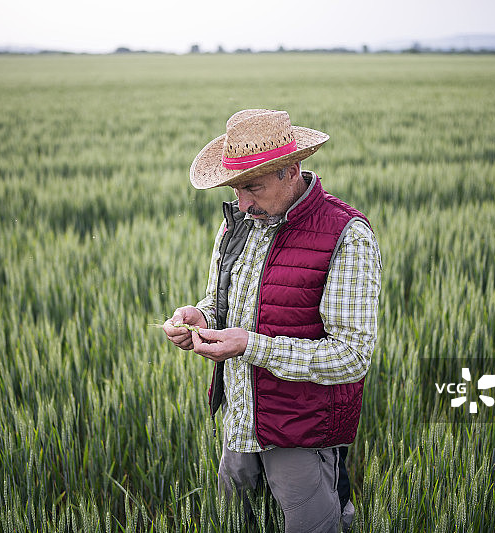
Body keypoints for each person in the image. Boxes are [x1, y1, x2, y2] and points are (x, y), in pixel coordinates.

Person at [163, 109, 381, 533]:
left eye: (253, 187)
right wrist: (200, 316)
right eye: (235, 189)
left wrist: (249, 345)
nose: (242, 203)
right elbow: (225, 302)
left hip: (302, 433)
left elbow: (351, 357)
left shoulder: (346, 235)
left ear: (290, 170)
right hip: (239, 423)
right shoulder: (237, 226)